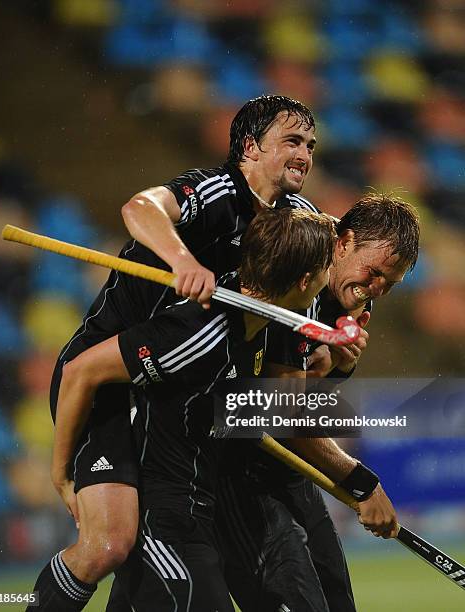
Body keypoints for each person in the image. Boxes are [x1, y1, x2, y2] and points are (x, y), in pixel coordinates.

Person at [28, 94, 324, 611]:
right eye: (292, 141)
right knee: (110, 545)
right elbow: (139, 207)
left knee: (151, 549)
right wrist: (184, 260)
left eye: (310, 145)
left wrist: (326, 344)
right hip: (109, 378)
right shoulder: (216, 192)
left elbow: (315, 280)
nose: (304, 155)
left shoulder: (295, 217)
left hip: (170, 388)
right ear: (250, 149)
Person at [215, 194, 420, 612]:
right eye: (374, 272)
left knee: (337, 602)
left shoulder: (353, 296)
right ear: (341, 243)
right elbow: (276, 411)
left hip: (281, 463)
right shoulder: (294, 278)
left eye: (390, 283)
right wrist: (361, 482)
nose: (376, 288)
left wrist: (333, 370)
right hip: (229, 466)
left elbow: (298, 398)